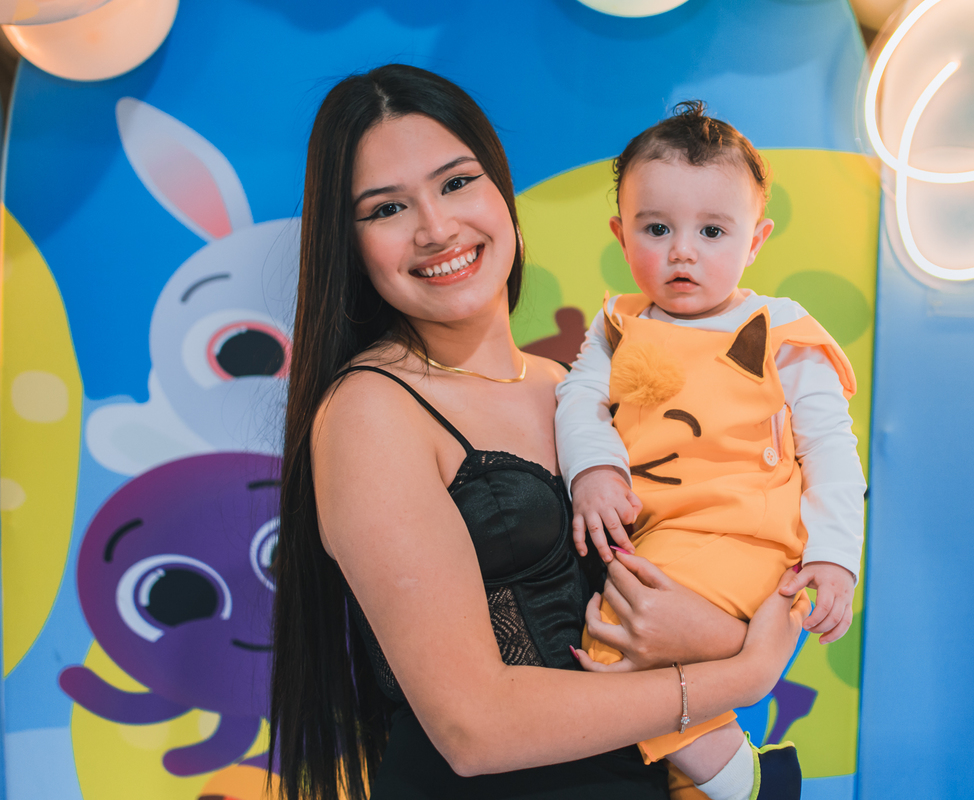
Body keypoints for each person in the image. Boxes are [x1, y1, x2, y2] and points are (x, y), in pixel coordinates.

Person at [267, 65, 812, 800]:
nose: (436, 228)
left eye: (457, 183)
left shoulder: (577, 387)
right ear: (350, 242)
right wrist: (744, 674)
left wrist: (729, 638)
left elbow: (708, 560)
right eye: (387, 208)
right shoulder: (372, 409)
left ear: (501, 191)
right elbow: (475, 729)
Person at [555, 101, 867, 800]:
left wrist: (834, 556)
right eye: (656, 229)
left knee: (613, 639)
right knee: (639, 660)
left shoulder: (779, 330)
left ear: (755, 241)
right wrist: (594, 469)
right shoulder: (617, 326)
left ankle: (747, 782)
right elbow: (579, 401)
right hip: (661, 537)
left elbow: (830, 449)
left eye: (712, 231)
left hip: (746, 539)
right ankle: (708, 783)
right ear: (621, 234)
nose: (683, 251)